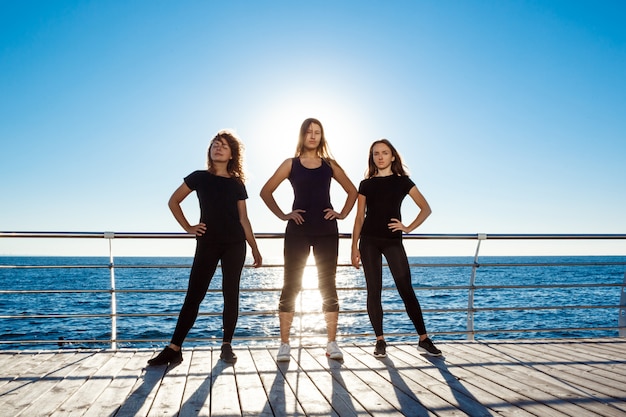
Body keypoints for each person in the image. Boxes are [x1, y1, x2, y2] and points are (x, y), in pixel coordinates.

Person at [148, 130, 262, 366]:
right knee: (194, 295)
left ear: (232, 154)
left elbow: (244, 219)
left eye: (223, 146)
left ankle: (226, 345)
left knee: (231, 294)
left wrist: (254, 248)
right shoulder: (199, 177)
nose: (217, 148)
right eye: (214, 145)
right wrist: (188, 227)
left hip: (235, 244)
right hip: (207, 242)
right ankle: (174, 347)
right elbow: (173, 201)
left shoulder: (237, 183)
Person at [260, 118, 358, 362]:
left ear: (321, 136)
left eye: (317, 132)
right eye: (309, 132)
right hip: (298, 230)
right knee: (291, 284)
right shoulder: (290, 164)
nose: (313, 136)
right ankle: (284, 344)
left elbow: (353, 191)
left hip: (327, 229)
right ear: (302, 135)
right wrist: (284, 214)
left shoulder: (330, 165)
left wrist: (342, 213)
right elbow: (265, 191)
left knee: (328, 285)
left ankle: (332, 343)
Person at [351, 139, 441, 358]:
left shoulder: (403, 182)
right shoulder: (366, 184)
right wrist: (353, 246)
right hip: (369, 241)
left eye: (384, 152)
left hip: (393, 241)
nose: (380, 157)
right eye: (375, 154)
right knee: (374, 290)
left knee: (405, 288)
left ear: (393, 156)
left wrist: (408, 227)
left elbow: (426, 208)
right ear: (371, 158)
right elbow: (359, 217)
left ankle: (423, 339)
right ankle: (380, 341)